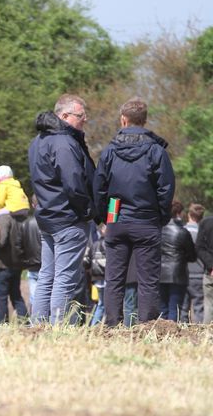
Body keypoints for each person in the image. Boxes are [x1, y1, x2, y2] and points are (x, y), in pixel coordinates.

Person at [94, 97, 175, 326]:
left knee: (114, 277)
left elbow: (100, 187)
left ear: (123, 119)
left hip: (116, 218)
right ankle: (147, 326)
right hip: (147, 221)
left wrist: (104, 217)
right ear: (145, 120)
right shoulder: (156, 151)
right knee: (148, 279)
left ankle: (111, 325)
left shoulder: (109, 151)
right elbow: (166, 188)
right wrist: (161, 216)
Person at [28, 94, 96, 324]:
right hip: (68, 218)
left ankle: (38, 326)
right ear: (64, 115)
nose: (84, 119)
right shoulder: (64, 143)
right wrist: (88, 211)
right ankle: (58, 329)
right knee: (64, 278)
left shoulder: (38, 141)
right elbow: (74, 181)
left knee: (47, 275)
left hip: (48, 217)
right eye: (80, 115)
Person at [158, 201, 196, 322]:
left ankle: (161, 333)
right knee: (175, 307)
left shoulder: (158, 230)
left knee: (162, 307)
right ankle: (171, 332)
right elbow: (192, 255)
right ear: (179, 213)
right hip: (177, 273)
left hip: (159, 272)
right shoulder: (183, 232)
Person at [0, 211, 28, 323]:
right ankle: (25, 323)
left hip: (2, 265)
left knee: (1, 299)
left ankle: (1, 324)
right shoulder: (22, 218)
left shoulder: (4, 218)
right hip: (17, 264)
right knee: (16, 296)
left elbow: (1, 241)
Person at [182, 203, 205, 323]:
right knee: (199, 307)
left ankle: (181, 334)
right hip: (199, 274)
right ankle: (200, 333)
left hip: (183, 273)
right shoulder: (203, 233)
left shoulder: (182, 231)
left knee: (183, 308)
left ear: (188, 215)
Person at [19, 194, 42, 310]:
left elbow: (20, 245)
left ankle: (35, 321)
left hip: (31, 265)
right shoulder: (48, 223)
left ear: (33, 205)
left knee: (33, 296)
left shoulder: (25, 224)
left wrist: (24, 261)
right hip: (47, 265)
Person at [87, 224, 107, 326]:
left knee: (100, 304)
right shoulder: (109, 245)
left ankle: (94, 325)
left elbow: (87, 261)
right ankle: (102, 325)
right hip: (106, 278)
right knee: (104, 304)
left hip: (97, 278)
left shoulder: (94, 244)